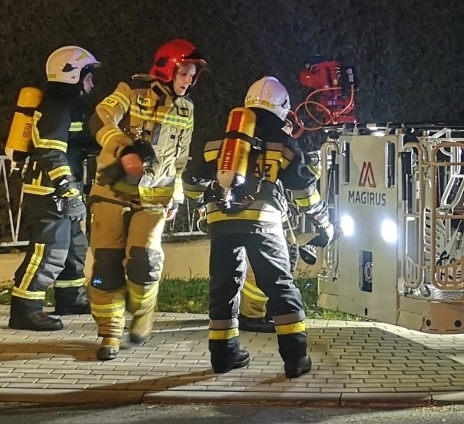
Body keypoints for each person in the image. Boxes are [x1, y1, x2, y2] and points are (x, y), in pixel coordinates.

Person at [186, 76, 334, 377]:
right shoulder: (284, 144)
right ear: (282, 108)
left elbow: (190, 182)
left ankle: (224, 357)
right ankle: (295, 359)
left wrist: (204, 203)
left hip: (221, 221)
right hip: (264, 223)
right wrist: (324, 224)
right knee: (280, 287)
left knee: (223, 289)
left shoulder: (219, 140)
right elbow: (305, 194)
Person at [87, 38, 204, 361]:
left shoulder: (186, 110)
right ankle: (109, 332)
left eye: (192, 75)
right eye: (184, 73)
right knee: (106, 267)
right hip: (111, 194)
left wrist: (176, 197)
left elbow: (180, 159)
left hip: (155, 200)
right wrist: (125, 148)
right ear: (167, 68)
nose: (188, 81)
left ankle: (142, 312)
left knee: (144, 264)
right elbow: (100, 118)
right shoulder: (130, 92)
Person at [9, 46, 100, 330]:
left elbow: (76, 144)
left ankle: (70, 298)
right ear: (73, 76)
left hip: (61, 190)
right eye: (88, 77)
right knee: (50, 251)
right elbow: (51, 152)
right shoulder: (57, 108)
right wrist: (66, 188)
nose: (92, 83)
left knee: (74, 246)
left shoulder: (70, 108)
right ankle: (26, 309)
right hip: (49, 192)